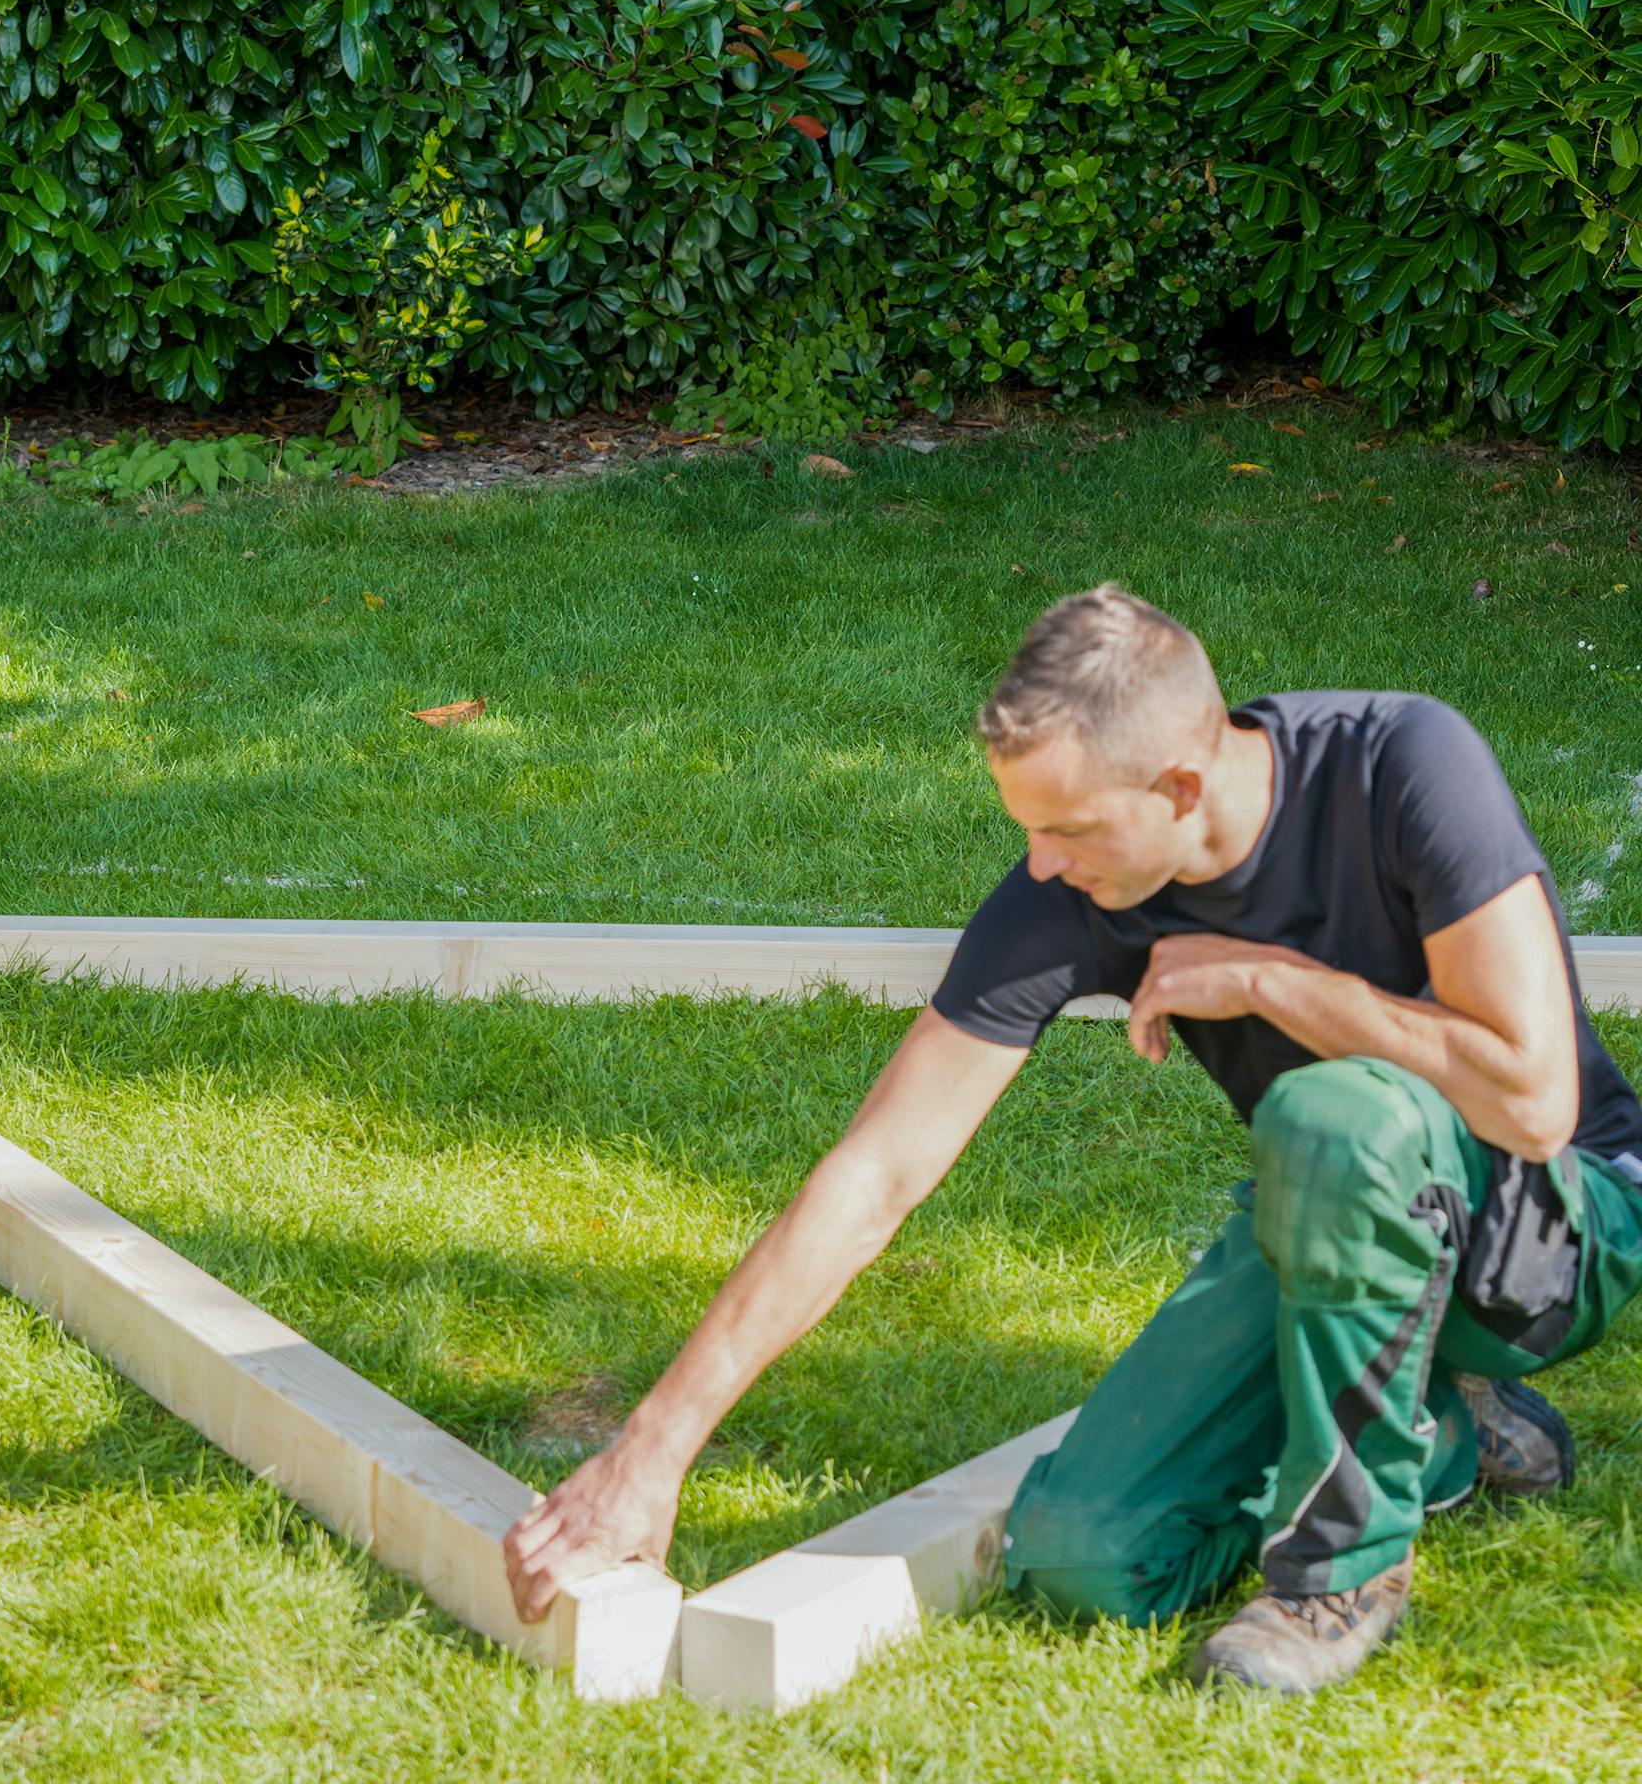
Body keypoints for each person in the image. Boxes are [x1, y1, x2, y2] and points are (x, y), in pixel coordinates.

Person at [504, 585, 1642, 1693]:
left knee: (1328, 1111)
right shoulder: (1074, 891)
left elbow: (1532, 1100)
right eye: (1028, 828)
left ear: (1182, 784)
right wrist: (653, 1449)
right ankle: (1436, 1431)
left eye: (1067, 828)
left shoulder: (1400, 764)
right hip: (1332, 1213)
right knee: (1086, 1553)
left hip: (1558, 1220)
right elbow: (878, 1171)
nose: (1043, 861)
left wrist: (1274, 981)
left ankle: (1334, 1581)